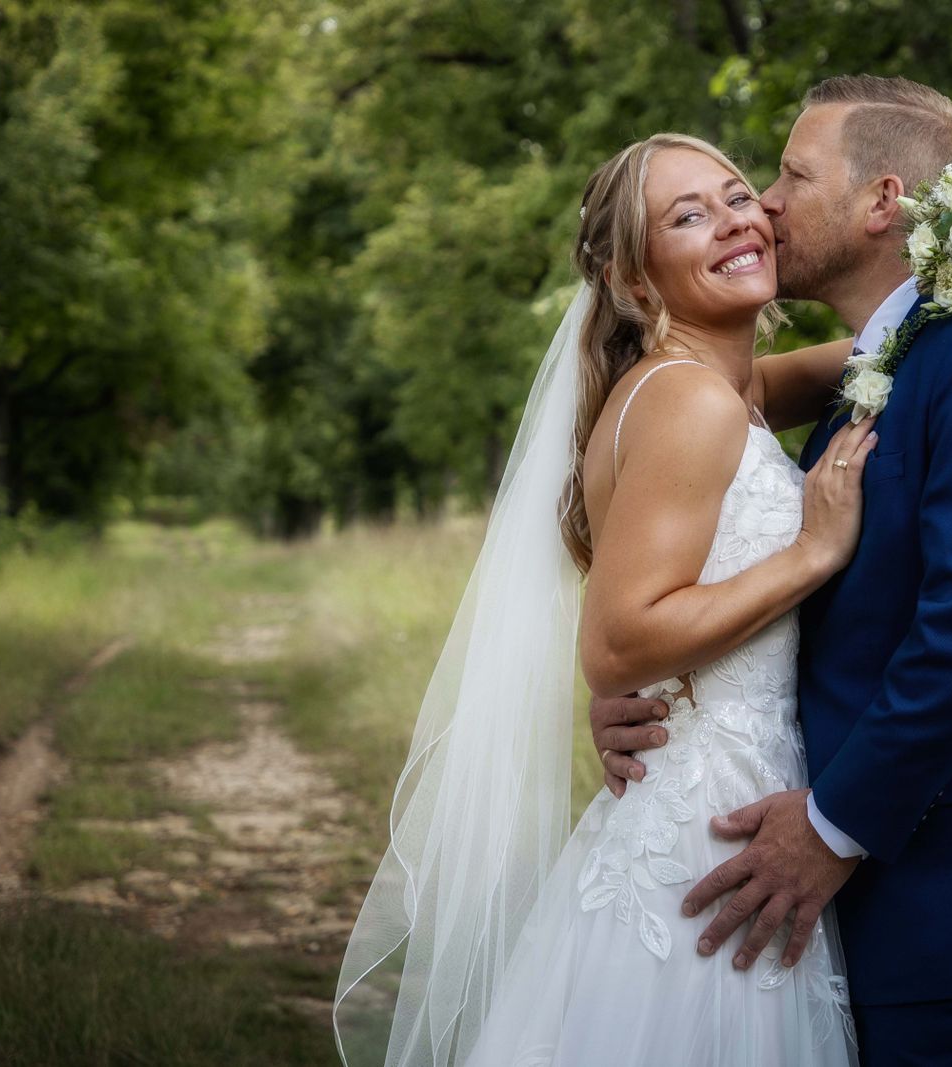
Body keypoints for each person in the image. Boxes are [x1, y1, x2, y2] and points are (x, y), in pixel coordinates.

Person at [591, 76, 952, 1066]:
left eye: (788, 177)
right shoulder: (878, 374)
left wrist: (836, 822)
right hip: (873, 898)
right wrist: (650, 686)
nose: (761, 202)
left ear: (880, 202)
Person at [334, 133, 874, 1066]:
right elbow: (620, 645)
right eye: (687, 216)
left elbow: (852, 357)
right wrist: (812, 552)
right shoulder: (687, 400)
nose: (735, 220)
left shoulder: (721, 388)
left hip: (708, 794)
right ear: (633, 279)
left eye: (738, 194)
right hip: (709, 823)